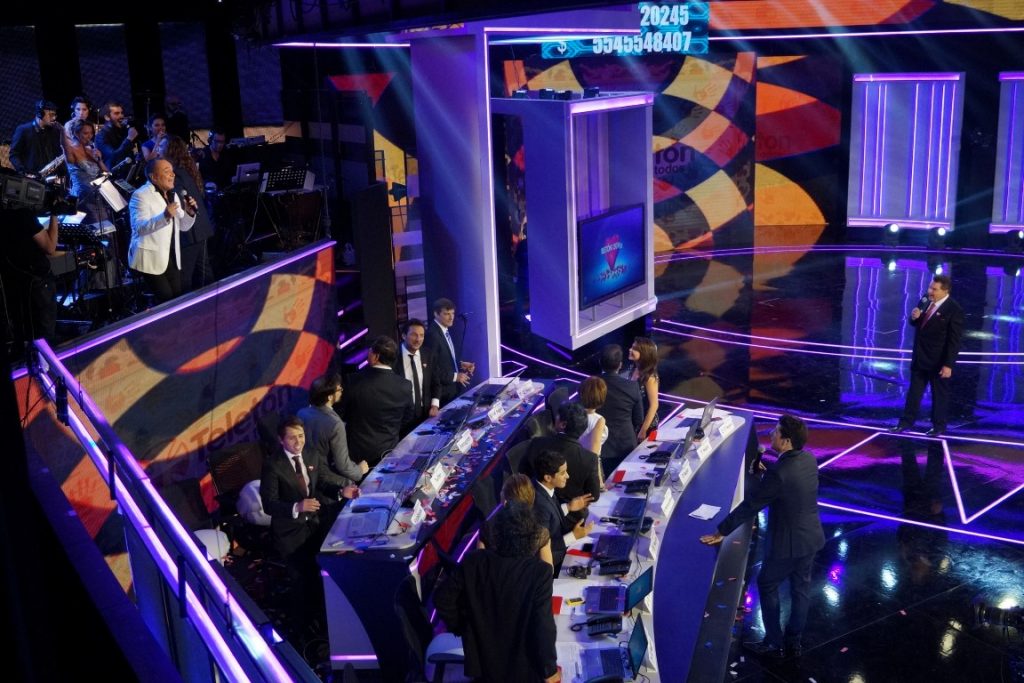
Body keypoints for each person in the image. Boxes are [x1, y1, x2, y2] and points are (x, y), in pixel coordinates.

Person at [700, 414, 824, 659]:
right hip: (811, 539)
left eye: (776, 432)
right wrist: (769, 475)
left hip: (787, 545)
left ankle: (773, 642)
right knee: (801, 589)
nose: (771, 434)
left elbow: (751, 505)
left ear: (786, 441)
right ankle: (794, 641)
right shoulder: (808, 459)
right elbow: (791, 486)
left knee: (767, 584)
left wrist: (722, 530)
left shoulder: (779, 473)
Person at [434, 501, 560, 683]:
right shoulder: (540, 572)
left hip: (482, 664)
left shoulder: (473, 560)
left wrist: (465, 628)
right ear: (531, 537)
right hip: (524, 667)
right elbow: (543, 626)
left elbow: (442, 599)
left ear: (498, 534)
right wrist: (549, 670)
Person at [260, 415, 359, 638]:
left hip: (314, 525)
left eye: (301, 436)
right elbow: (269, 505)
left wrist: (340, 491)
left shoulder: (311, 454)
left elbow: (321, 482)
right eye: (292, 438)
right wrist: (297, 506)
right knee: (301, 582)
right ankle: (302, 633)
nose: (299, 442)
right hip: (290, 533)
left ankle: (324, 621)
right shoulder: (272, 465)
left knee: (321, 573)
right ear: (281, 440)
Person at [892, 274, 964, 436]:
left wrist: (948, 365)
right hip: (920, 357)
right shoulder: (925, 300)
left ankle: (939, 426)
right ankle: (905, 423)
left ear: (945, 291)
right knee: (914, 393)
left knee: (939, 395)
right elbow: (917, 322)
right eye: (930, 287)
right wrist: (914, 317)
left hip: (938, 361)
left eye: (934, 289)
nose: (930, 291)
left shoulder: (954, 310)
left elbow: (954, 341)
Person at [338, 335, 415, 467]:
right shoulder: (405, 385)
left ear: (376, 356)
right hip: (389, 451)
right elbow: (408, 416)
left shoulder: (353, 381)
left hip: (358, 455)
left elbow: (341, 414)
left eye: (370, 351)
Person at [519, 401, 601, 523]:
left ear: (563, 424)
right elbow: (593, 496)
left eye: (557, 417)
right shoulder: (590, 459)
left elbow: (523, 476)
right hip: (573, 519)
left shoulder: (536, 444)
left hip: (537, 513)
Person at [128, 158, 197, 302]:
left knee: (177, 299)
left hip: (170, 255)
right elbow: (139, 228)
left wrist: (190, 213)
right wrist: (164, 216)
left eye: (172, 171)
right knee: (166, 299)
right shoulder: (140, 195)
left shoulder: (173, 194)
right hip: (150, 258)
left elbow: (183, 226)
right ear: (153, 177)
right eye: (167, 171)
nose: (172, 174)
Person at [0, 189, 60, 346]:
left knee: (23, 333)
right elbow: (50, 247)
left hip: (13, 282)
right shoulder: (23, 215)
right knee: (43, 336)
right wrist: (54, 214)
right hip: (37, 283)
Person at [161, 135, 214, 292]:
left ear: (169, 150)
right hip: (200, 228)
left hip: (190, 232)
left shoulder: (175, 175)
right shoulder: (186, 169)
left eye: (161, 146)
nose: (157, 149)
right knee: (203, 271)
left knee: (186, 275)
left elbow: (178, 202)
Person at [297, 373, 368, 487]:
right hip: (326, 479)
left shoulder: (301, 413)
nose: (342, 391)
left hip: (307, 474)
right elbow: (343, 465)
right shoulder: (335, 424)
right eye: (339, 389)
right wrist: (359, 471)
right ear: (329, 397)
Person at [531, 449, 594, 574]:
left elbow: (551, 516)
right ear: (548, 477)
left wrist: (569, 507)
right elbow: (542, 546)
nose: (567, 476)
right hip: (554, 562)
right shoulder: (539, 505)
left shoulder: (544, 488)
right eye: (563, 473)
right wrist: (573, 536)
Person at [479, 474, 554, 566]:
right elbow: (549, 570)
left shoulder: (488, 529)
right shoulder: (540, 534)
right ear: (532, 498)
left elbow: (480, 564)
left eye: (502, 490)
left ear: (505, 501)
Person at [595, 344, 643, 472]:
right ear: (620, 365)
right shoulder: (632, 387)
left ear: (600, 362)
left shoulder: (589, 386)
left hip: (600, 445)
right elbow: (638, 419)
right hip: (626, 445)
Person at [423, 297, 475, 406]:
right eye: (447, 314)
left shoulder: (444, 330)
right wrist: (456, 376)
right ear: (436, 314)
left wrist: (460, 364)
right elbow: (431, 369)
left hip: (452, 391)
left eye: (453, 313)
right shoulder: (432, 335)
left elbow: (443, 360)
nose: (451, 317)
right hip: (442, 395)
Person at [392, 318, 441, 429]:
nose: (418, 339)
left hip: (426, 415)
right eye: (414, 335)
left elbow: (436, 383)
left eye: (421, 335)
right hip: (402, 420)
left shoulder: (428, 355)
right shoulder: (393, 357)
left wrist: (435, 405)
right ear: (404, 336)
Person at [63, 119, 109, 225]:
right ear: (76, 133)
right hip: (83, 196)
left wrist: (99, 160)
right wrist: (62, 131)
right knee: (93, 225)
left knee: (106, 226)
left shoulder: (91, 151)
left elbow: (106, 173)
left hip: (97, 196)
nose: (89, 136)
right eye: (85, 133)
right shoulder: (71, 150)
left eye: (91, 133)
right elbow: (64, 145)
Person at [9, 100, 63, 176]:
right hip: (31, 177)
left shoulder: (54, 132)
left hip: (50, 177)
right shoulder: (23, 130)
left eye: (55, 115)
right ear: (40, 114)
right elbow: (14, 154)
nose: (54, 118)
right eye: (51, 115)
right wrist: (23, 172)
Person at [578, 376, 609, 483]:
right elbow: (594, 455)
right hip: (591, 469)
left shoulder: (573, 414)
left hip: (574, 463)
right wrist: (600, 484)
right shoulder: (599, 420)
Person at [629, 336, 660, 439]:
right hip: (634, 420)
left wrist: (643, 430)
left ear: (644, 354)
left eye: (634, 349)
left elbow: (654, 405)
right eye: (631, 347)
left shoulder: (650, 377)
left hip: (646, 425)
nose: (630, 350)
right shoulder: (634, 368)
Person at [95, 101, 139, 170]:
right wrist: (129, 139)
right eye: (116, 113)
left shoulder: (123, 130)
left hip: (130, 170)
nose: (121, 116)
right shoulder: (101, 136)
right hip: (113, 173)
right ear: (107, 117)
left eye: (121, 113)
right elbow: (113, 156)